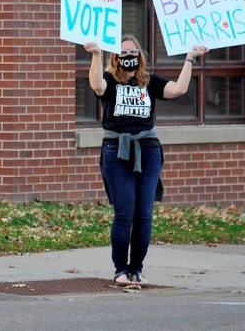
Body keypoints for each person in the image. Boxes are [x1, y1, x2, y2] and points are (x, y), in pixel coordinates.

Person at [85, 35, 208, 286]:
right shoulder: (110, 80)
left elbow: (178, 89)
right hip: (116, 149)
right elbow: (97, 86)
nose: (128, 58)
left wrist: (189, 59)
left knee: (144, 214)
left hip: (148, 149)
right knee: (125, 213)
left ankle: (136, 269)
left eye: (133, 53)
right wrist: (96, 55)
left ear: (139, 56)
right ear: (115, 58)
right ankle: (121, 270)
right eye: (123, 54)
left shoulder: (149, 82)